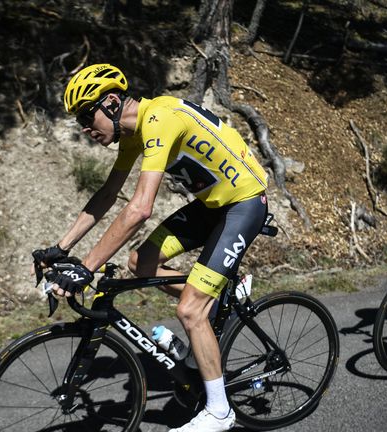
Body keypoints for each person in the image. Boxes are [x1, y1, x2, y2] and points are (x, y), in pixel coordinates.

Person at [33, 63, 269, 432]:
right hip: (212, 206)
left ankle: (220, 412)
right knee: (139, 262)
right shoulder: (131, 135)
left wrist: (88, 267)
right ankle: (221, 298)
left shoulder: (159, 117)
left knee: (190, 310)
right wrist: (59, 248)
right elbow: (109, 195)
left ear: (111, 102)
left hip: (244, 204)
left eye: (86, 115)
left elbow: (140, 208)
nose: (84, 127)